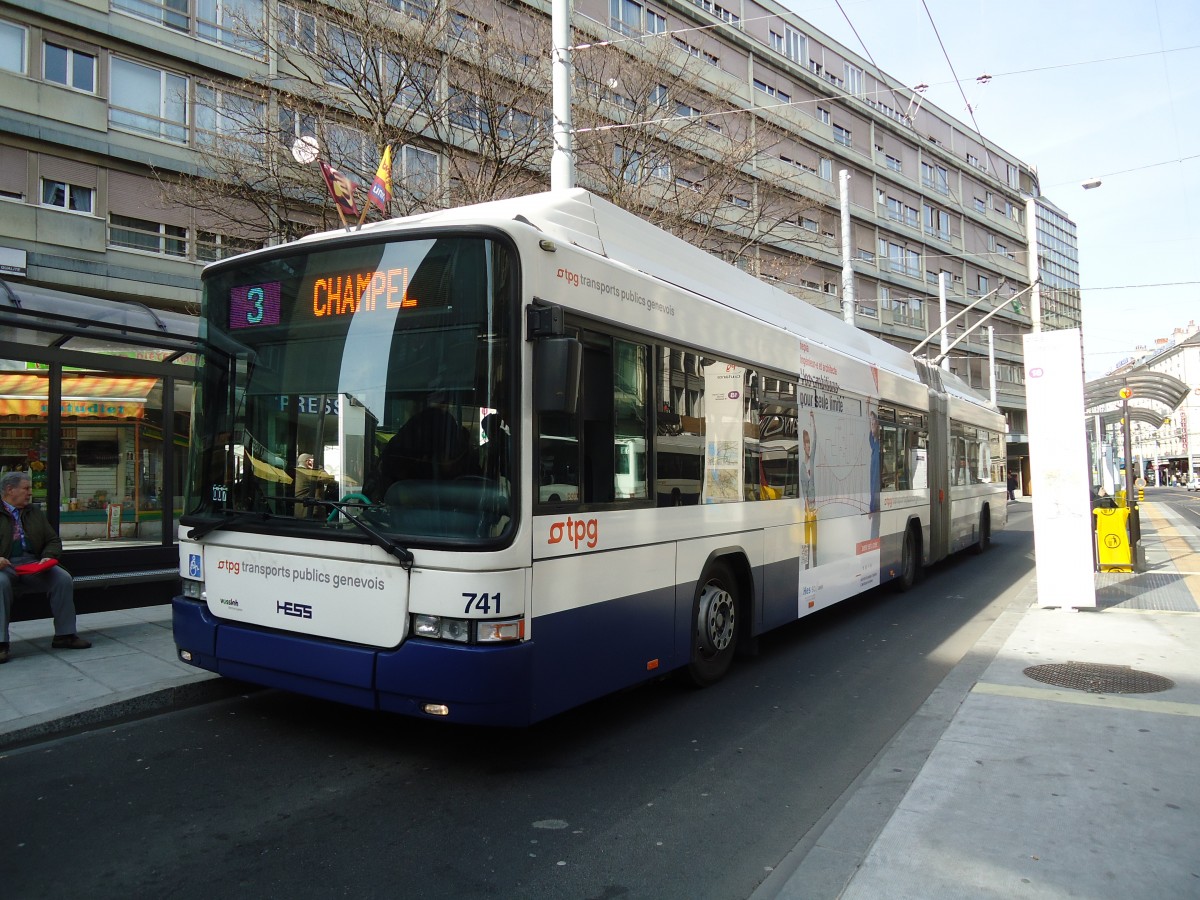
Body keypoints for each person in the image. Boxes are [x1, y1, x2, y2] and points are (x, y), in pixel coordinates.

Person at [0, 470, 89, 664]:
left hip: (32, 563)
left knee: (62, 578)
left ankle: (65, 635)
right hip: (4, 565)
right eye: (26, 488)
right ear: (9, 490)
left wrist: (48, 556)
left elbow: (52, 540)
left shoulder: (33, 512)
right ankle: (1, 644)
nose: (30, 493)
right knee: (0, 583)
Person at [294, 452, 335, 517]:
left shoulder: (297, 472)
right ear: (308, 462)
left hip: (300, 510)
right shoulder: (307, 473)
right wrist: (318, 467)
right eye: (313, 461)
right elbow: (327, 478)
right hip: (309, 511)